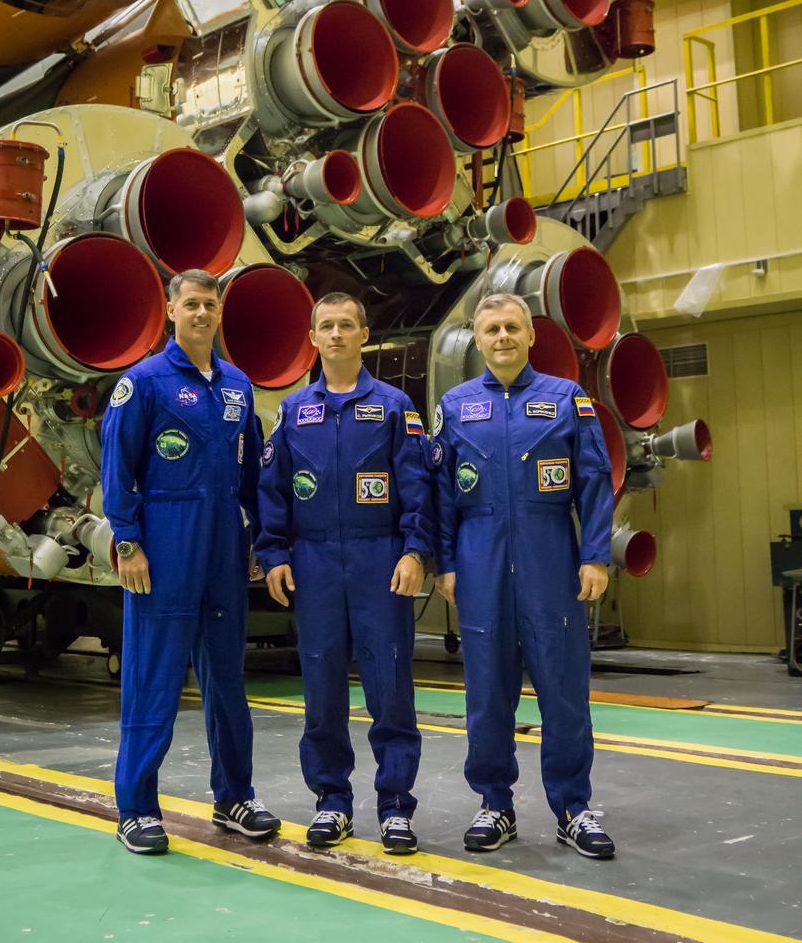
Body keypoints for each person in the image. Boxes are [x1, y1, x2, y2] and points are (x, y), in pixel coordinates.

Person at [101, 268, 280, 854]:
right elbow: (117, 469)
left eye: (211, 304)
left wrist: (258, 540)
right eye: (192, 304)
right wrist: (128, 542)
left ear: (220, 313)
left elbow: (251, 472)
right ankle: (136, 807)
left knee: (227, 681)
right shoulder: (143, 383)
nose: (202, 313)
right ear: (171, 311)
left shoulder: (237, 385)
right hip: (165, 541)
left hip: (224, 544)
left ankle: (234, 796)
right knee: (153, 678)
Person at [433, 291, 615, 859]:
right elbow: (440, 496)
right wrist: (446, 563)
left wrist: (595, 555)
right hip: (479, 558)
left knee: (563, 691)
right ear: (477, 340)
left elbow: (594, 480)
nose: (503, 338)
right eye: (492, 330)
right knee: (487, 694)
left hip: (550, 559)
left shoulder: (566, 399)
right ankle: (494, 805)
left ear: (531, 335)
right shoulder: (456, 406)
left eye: (513, 327)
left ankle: (573, 809)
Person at [255, 292, 433, 854]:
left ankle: (396, 806)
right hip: (314, 564)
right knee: (322, 689)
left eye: (346, 325)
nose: (336, 334)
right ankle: (332, 801)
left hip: (379, 559)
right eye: (326, 326)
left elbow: (417, 486)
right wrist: (275, 554)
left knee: (391, 686)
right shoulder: (293, 411)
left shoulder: (394, 406)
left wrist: (415, 551)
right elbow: (272, 489)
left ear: (363, 335)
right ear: (313, 338)